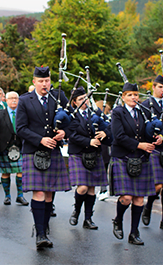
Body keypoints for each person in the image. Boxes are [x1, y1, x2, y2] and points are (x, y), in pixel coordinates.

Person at [15, 66, 70, 249]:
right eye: (40, 81)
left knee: (49, 193)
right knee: (38, 191)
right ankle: (40, 234)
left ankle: (44, 227)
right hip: (33, 151)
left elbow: (71, 121)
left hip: (53, 151)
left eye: (47, 80)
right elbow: (20, 128)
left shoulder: (59, 97)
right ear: (34, 82)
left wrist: (64, 132)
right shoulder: (24, 100)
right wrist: (40, 140)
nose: (44, 84)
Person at [110, 82, 161, 246]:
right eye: (130, 95)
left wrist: (157, 137)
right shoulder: (118, 112)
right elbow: (118, 136)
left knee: (139, 199)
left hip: (141, 159)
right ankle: (118, 219)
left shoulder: (144, 111)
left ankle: (134, 232)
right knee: (126, 197)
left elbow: (150, 131)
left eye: (136, 95)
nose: (134, 97)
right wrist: (139, 145)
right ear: (123, 97)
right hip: (123, 157)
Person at [66, 87, 112, 230]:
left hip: (94, 154)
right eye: (81, 99)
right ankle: (76, 211)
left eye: (85, 98)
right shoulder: (71, 115)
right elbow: (71, 134)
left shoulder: (95, 113)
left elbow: (108, 127)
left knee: (92, 189)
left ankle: (88, 219)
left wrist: (104, 133)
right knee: (83, 188)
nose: (84, 101)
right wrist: (88, 141)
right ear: (74, 102)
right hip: (78, 153)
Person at [142, 75, 163, 230]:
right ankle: (149, 205)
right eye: (160, 87)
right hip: (154, 148)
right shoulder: (146, 104)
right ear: (153, 87)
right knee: (158, 185)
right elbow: (144, 127)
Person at [0, 91, 28, 206]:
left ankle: (20, 196)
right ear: (5, 100)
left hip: (20, 146)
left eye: (16, 98)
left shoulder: (23, 113)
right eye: (11, 98)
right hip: (4, 147)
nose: (13, 100)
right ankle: (7, 196)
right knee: (5, 173)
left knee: (21, 171)